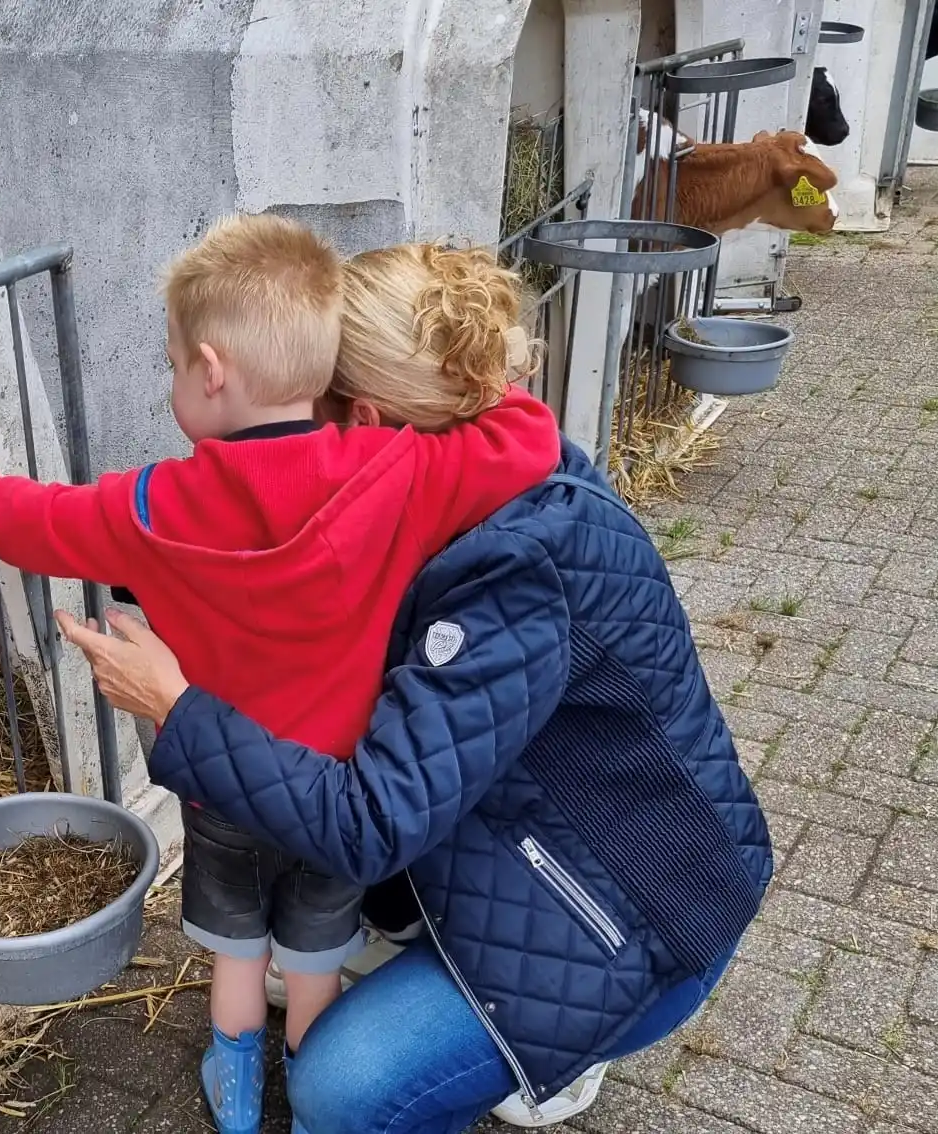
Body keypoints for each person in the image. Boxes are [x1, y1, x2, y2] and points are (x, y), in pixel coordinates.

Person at [53, 242, 773, 1134]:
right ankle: (443, 984)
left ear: (363, 414)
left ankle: (561, 1051)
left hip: (627, 920)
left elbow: (371, 823)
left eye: (307, 409)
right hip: (544, 848)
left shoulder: (511, 573)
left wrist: (176, 707)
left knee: (340, 1093)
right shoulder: (479, 469)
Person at [0, 218, 562, 1134]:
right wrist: (479, 366)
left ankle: (236, 1084)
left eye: (172, 366)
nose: (174, 382)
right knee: (316, 965)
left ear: (212, 371)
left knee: (239, 959)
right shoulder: (402, 470)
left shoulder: (152, 505)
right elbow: (527, 440)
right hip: (336, 793)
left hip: (221, 794)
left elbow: (39, 519)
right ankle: (311, 1075)